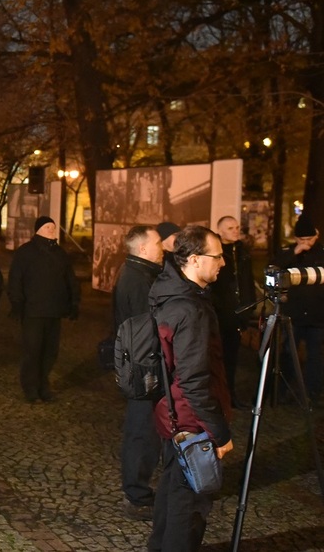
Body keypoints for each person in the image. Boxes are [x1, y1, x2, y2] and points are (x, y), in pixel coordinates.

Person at [148, 225, 234, 551]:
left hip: (171, 414)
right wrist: (219, 433)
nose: (223, 263)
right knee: (190, 507)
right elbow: (195, 382)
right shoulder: (191, 309)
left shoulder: (168, 291)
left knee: (172, 494)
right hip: (191, 422)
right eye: (218, 256)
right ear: (195, 260)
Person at [112, 225, 164, 520]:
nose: (162, 248)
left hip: (138, 365)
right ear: (143, 248)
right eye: (158, 243)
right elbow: (147, 330)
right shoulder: (139, 279)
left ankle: (138, 491)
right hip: (143, 368)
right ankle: (138, 495)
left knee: (142, 431)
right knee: (141, 433)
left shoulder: (134, 271)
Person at [7, 216, 80, 403]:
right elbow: (15, 279)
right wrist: (16, 304)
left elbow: (70, 279)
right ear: (38, 229)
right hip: (33, 311)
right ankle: (30, 387)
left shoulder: (60, 253)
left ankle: (43, 385)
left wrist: (73, 303)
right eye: (47, 226)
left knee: (50, 351)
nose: (51, 230)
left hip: (54, 311)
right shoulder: (25, 253)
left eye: (53, 227)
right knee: (32, 351)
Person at [210, 215, 256, 408]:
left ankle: (229, 395)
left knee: (231, 358)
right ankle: (217, 397)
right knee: (216, 359)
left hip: (237, 315)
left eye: (237, 227)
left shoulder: (242, 252)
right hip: (221, 315)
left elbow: (247, 281)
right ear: (219, 231)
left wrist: (249, 306)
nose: (236, 231)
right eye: (230, 228)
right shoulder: (215, 252)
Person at [278, 214, 324, 407]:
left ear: (317, 235)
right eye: (302, 240)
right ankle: (280, 392)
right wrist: (294, 252)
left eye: (310, 239)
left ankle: (312, 394)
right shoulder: (288, 253)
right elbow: (273, 269)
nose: (306, 244)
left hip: (318, 316)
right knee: (287, 354)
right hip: (293, 316)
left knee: (317, 357)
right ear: (296, 239)